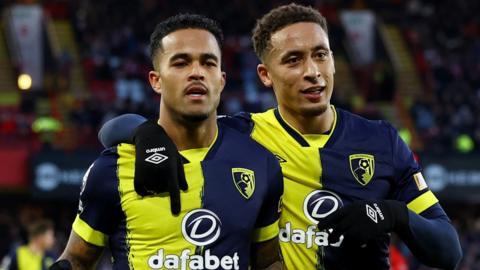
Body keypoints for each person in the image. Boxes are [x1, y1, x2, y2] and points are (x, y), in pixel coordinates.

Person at [99, 4, 462, 270]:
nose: (312, 72)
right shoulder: (241, 134)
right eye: (293, 60)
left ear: (334, 61)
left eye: (321, 56)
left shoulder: (381, 141)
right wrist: (146, 132)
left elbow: (448, 251)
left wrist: (394, 214)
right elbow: (111, 131)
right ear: (265, 75)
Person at [52, 14, 283, 270]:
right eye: (181, 63)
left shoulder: (260, 162)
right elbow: (77, 259)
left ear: (222, 80)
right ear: (156, 80)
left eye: (208, 63)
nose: (196, 73)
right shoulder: (112, 169)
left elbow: (269, 261)